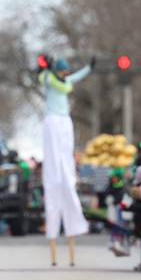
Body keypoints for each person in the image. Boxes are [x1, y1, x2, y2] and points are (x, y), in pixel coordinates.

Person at [39, 56, 93, 266]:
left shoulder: (63, 81)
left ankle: (70, 251)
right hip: (53, 121)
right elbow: (43, 76)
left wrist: (89, 67)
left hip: (64, 122)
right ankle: (54, 250)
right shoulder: (49, 79)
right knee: (54, 172)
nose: (65, 75)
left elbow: (75, 78)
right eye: (62, 72)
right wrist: (46, 67)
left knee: (66, 171)